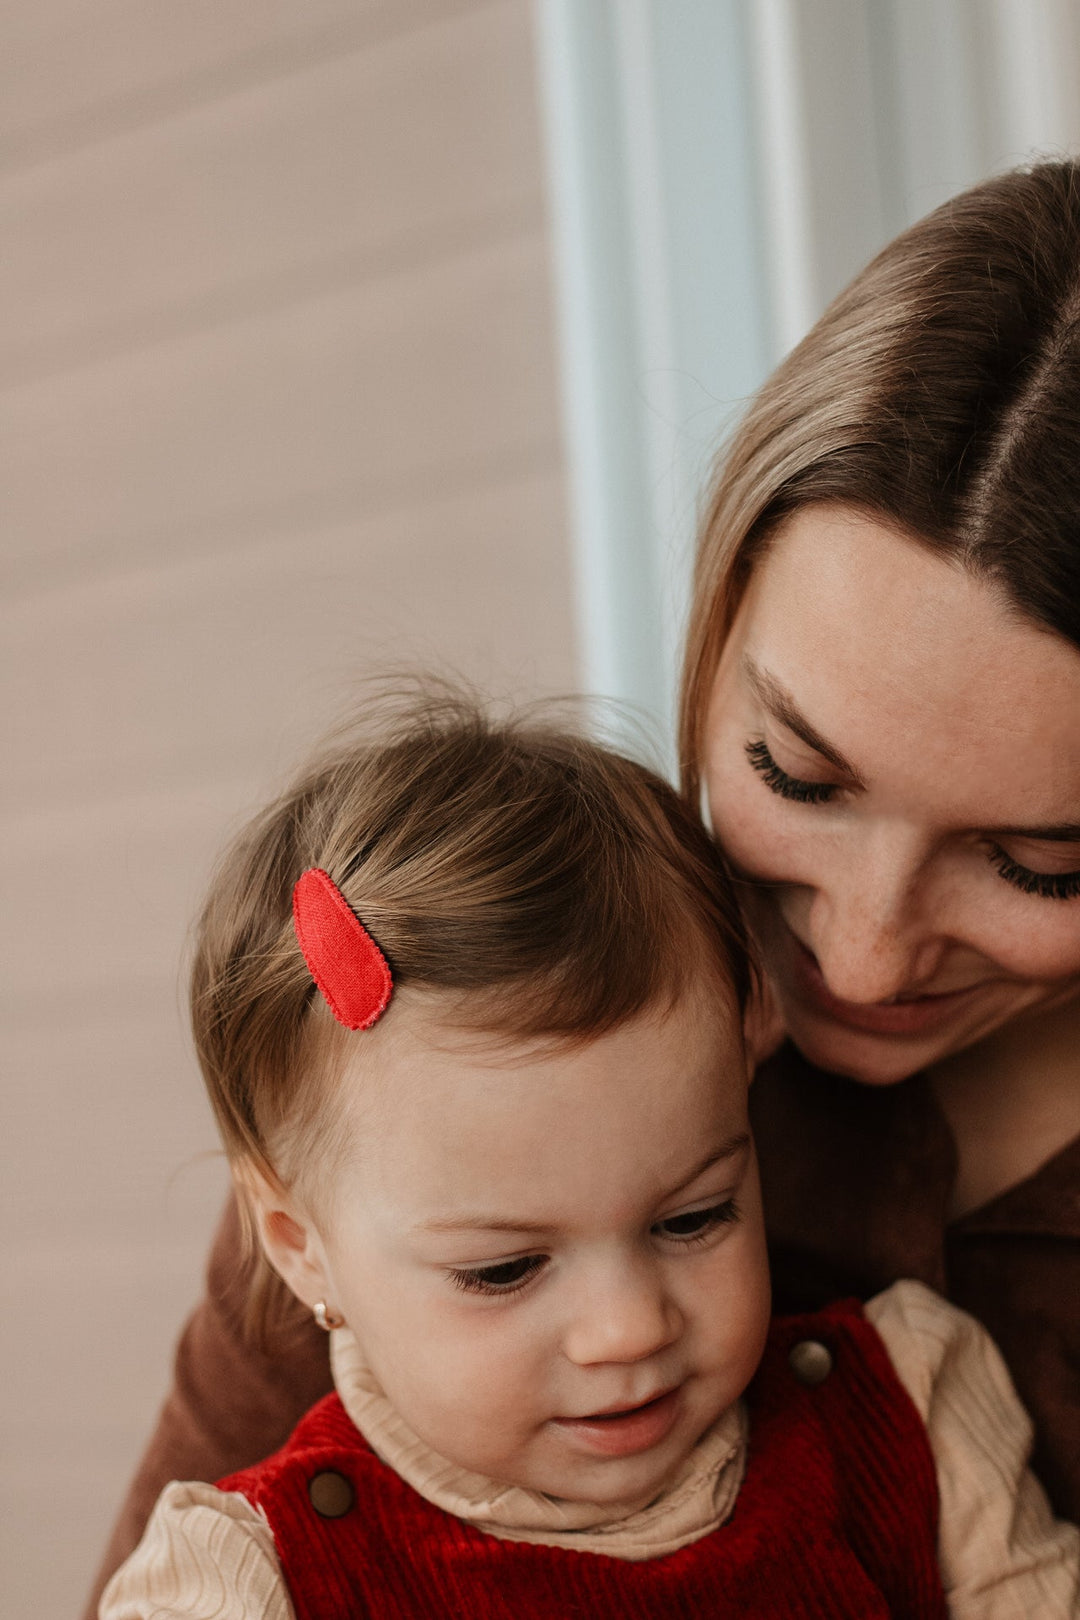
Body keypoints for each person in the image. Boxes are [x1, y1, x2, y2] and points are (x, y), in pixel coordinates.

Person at [84, 158, 1080, 1612]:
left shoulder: (915, 1399)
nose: (855, 963)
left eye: (1038, 862)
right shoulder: (445, 1047)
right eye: (798, 776)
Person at [99, 695, 1077, 1617]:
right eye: (504, 1269)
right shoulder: (245, 1580)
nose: (627, 1329)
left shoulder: (907, 1415)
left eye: (692, 1217)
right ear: (297, 1245)